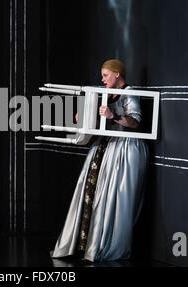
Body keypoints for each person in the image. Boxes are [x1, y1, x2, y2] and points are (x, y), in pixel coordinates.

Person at [51, 59, 149, 262]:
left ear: (117, 75)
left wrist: (113, 115)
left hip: (123, 148)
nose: (102, 79)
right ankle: (85, 244)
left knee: (113, 195)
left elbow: (135, 121)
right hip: (105, 146)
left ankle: (104, 244)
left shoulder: (128, 93)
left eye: (105, 75)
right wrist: (85, 118)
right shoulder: (107, 95)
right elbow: (103, 123)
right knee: (91, 192)